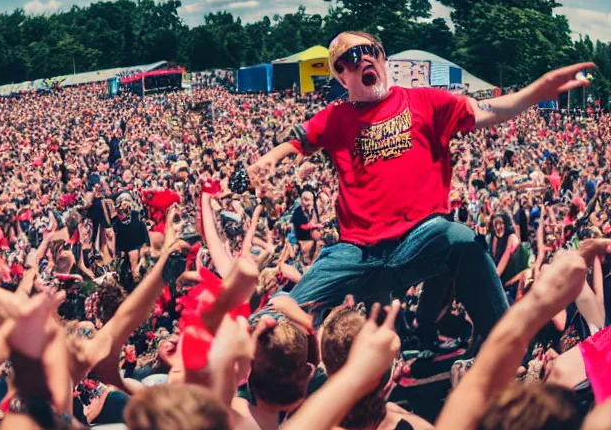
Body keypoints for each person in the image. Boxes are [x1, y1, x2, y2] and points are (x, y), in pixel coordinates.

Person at [250, 30, 594, 353]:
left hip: (420, 236)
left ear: (383, 59)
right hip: (357, 252)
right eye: (352, 57)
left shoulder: (425, 101)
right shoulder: (336, 116)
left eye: (371, 51)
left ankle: (504, 352)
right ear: (341, 76)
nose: (364, 60)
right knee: (273, 317)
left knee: (462, 241)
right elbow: (298, 140)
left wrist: (537, 92)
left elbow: (487, 111)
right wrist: (269, 158)